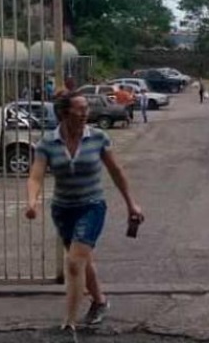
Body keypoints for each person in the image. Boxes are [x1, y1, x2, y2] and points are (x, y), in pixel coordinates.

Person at [25, 91, 144, 331]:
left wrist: (132, 203)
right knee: (82, 261)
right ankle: (99, 302)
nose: (85, 113)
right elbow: (36, 176)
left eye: (86, 109)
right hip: (63, 209)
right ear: (64, 113)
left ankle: (70, 321)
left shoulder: (98, 137)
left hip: (92, 206)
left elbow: (116, 171)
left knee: (73, 262)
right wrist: (31, 202)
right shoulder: (48, 142)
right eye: (80, 109)